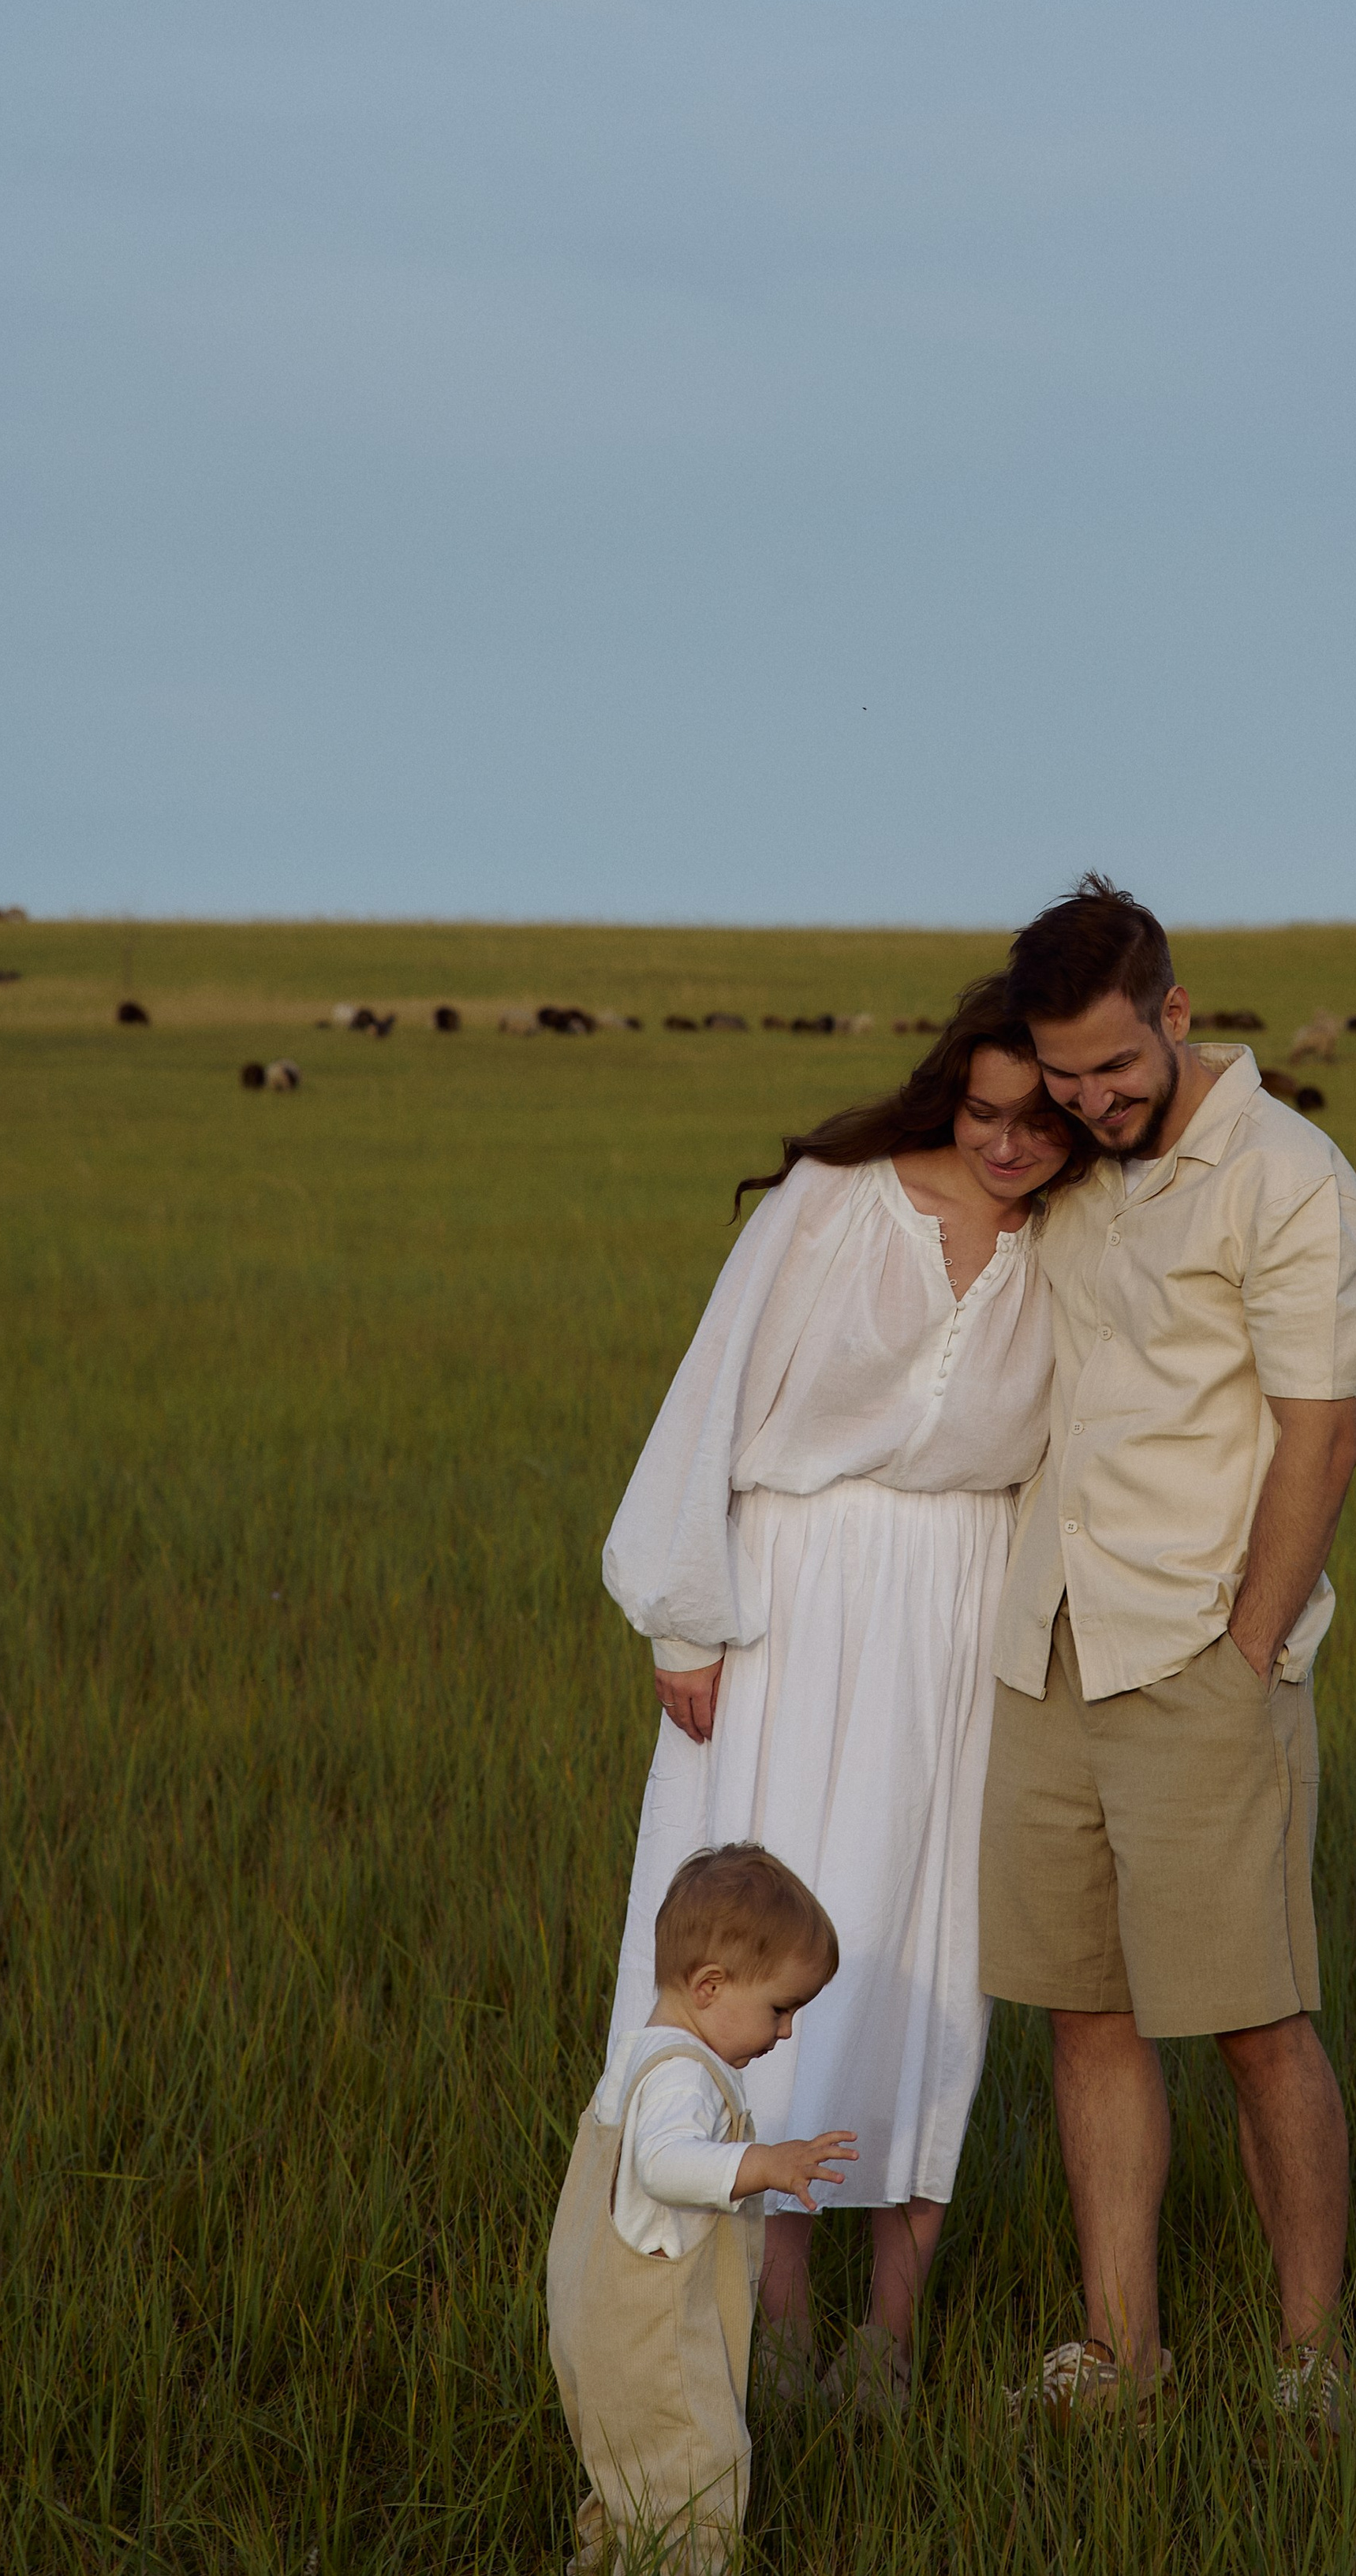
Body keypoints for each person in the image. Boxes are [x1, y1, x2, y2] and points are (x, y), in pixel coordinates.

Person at [599, 976, 1089, 2416]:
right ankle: (778, 2314)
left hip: (959, 1614)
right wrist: (685, 1613)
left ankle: (893, 2331)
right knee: (775, 1947)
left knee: (923, 1945)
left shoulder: (1079, 1239)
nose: (1007, 1146)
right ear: (949, 1085)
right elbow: (715, 1386)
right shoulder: (831, 1195)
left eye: (1041, 1121)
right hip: (794, 1601)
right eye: (985, 1110)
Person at [978, 876, 1356, 2429]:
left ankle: (1307, 2364)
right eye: (1060, 1072)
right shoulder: (1075, 1163)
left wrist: (1246, 1648)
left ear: (1175, 1011)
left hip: (1197, 1658)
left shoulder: (1288, 1177)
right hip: (1046, 1644)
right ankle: (1119, 2353)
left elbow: (1322, 1435)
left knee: (1252, 2015)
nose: (1089, 1098)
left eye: (1113, 1065)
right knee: (1082, 2010)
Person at [547, 1844, 853, 2574]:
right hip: (656, 2346)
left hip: (597, 2330)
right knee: (696, 2481)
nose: (785, 2034)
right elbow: (663, 2163)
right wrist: (766, 2164)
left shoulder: (640, 2054)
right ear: (711, 1986)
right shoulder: (685, 2078)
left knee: (632, 2481)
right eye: (780, 2009)